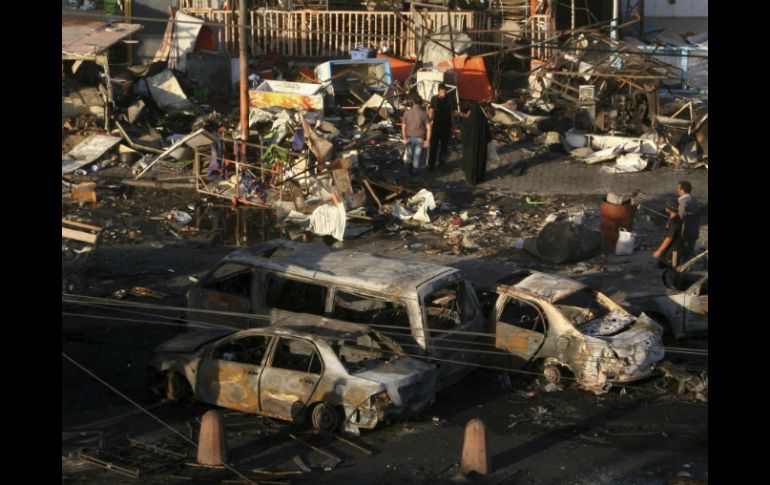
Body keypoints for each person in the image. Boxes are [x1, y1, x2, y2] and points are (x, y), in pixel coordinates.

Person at [428, 83, 457, 170]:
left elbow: (452, 115)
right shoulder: (434, 99)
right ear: (438, 91)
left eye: (444, 92)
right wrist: (428, 123)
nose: (443, 94)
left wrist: (453, 127)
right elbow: (431, 111)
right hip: (436, 126)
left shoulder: (450, 99)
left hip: (446, 126)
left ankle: (441, 162)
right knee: (434, 146)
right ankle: (431, 164)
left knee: (444, 146)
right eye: (441, 92)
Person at [460, 102, 490, 185]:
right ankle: (479, 178)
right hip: (481, 147)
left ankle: (471, 179)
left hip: (470, 147)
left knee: (471, 162)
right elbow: (488, 136)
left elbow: (463, 134)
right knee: (479, 162)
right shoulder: (483, 121)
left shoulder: (468, 121)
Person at [401, 96, 431, 176]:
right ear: (421, 103)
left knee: (411, 155)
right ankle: (415, 174)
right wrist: (427, 141)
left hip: (409, 138)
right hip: (420, 138)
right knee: (417, 157)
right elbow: (429, 128)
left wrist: (404, 138)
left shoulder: (407, 112)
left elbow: (403, 127)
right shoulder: (424, 113)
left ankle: (410, 171)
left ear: (413, 102)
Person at [653, 199, 685, 269]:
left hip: (674, 250)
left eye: (667, 207)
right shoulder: (674, 218)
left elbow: (669, 238)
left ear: (670, 209)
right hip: (669, 248)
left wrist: (659, 250)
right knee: (662, 265)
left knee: (672, 269)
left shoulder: (674, 222)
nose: (665, 208)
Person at [676, 180, 701, 260]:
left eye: (678, 188)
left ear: (682, 190)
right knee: (689, 252)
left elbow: (680, 218)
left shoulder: (682, 202)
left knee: (682, 253)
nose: (677, 190)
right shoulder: (694, 200)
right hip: (694, 230)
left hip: (685, 232)